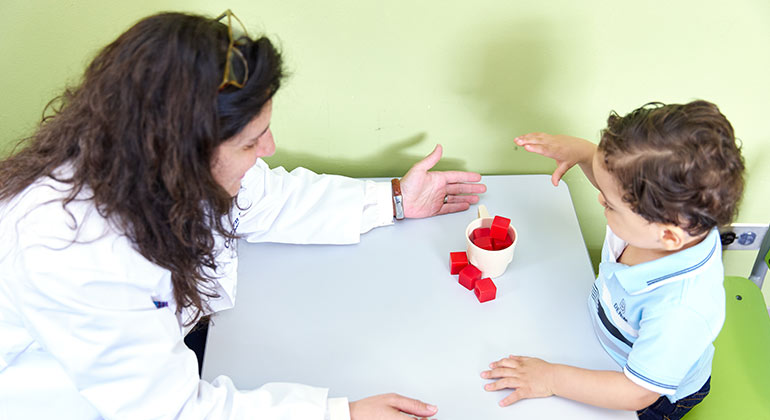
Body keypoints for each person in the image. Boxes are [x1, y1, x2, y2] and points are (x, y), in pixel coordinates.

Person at [0, 10, 486, 420]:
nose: (269, 149)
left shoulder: (141, 160)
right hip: (74, 393)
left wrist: (397, 199)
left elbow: (265, 198)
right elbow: (173, 411)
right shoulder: (70, 254)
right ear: (178, 153)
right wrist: (340, 413)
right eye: (252, 142)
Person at [480, 100, 745, 419]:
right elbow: (616, 184)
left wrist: (550, 378)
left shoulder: (681, 310)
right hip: (602, 344)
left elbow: (637, 393)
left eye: (610, 205)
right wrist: (583, 153)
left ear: (668, 236)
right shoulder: (664, 224)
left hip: (647, 393)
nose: (599, 198)